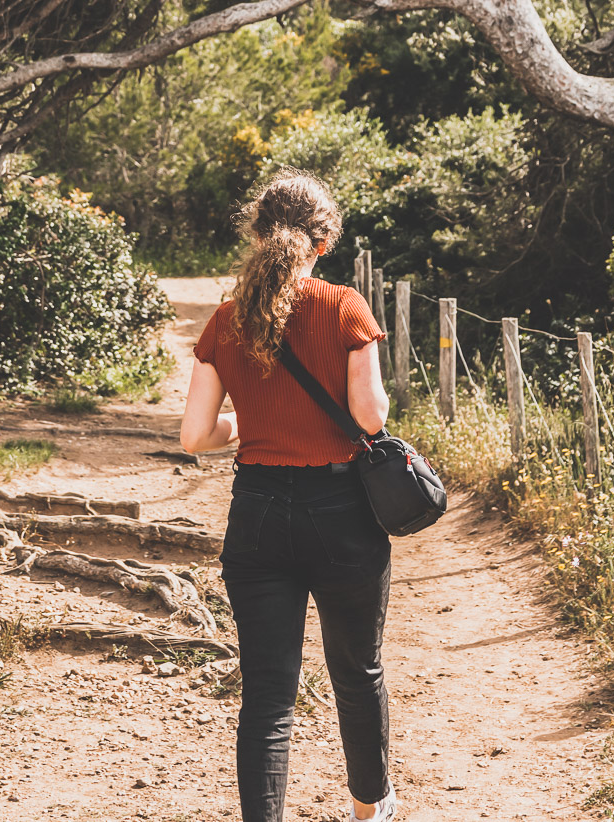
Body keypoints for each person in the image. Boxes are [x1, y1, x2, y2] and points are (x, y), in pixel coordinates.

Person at [181, 169, 396, 822]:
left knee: (268, 696)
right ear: (323, 242)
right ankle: (370, 810)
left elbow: (195, 434)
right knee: (358, 676)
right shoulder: (346, 308)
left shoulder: (226, 320)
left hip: (259, 517)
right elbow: (370, 418)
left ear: (258, 233)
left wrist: (253, 423)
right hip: (344, 518)